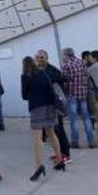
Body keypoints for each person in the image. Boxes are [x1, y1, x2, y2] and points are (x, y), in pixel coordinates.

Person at [22, 54, 65, 182]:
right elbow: (51, 89)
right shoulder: (43, 74)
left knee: (37, 138)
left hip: (37, 108)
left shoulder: (25, 77)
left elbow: (24, 95)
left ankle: (38, 166)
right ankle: (60, 160)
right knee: (51, 133)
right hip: (50, 107)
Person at [38, 50, 71, 164]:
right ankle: (59, 153)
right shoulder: (37, 70)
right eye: (38, 57)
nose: (40, 59)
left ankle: (66, 154)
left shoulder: (52, 70)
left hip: (55, 105)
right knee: (52, 132)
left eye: (42, 57)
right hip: (45, 105)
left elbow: (64, 79)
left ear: (47, 58)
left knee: (59, 130)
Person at [61, 48, 97, 149]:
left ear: (67, 55)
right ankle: (91, 141)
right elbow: (86, 76)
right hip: (83, 94)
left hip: (72, 95)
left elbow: (64, 81)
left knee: (74, 120)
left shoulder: (66, 66)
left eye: (63, 55)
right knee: (86, 118)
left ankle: (75, 141)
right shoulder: (81, 62)